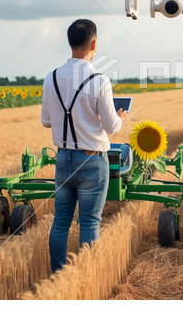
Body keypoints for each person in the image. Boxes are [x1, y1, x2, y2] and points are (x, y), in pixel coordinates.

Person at [40, 18, 127, 272]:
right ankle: (88, 276)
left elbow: (46, 121)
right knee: (89, 223)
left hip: (63, 159)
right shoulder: (100, 80)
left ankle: (58, 275)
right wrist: (120, 118)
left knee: (60, 222)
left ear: (70, 43)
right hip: (91, 162)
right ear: (94, 43)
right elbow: (112, 127)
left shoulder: (51, 77)